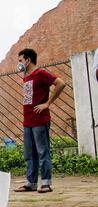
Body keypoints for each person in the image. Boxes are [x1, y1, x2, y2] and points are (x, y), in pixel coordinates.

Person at [14, 48, 66, 194]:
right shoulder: (26, 76)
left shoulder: (41, 73)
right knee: (29, 155)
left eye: (20, 60)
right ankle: (31, 183)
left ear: (28, 60)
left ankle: (46, 183)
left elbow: (60, 83)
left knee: (43, 152)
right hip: (28, 121)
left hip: (40, 120)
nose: (19, 64)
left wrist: (47, 103)